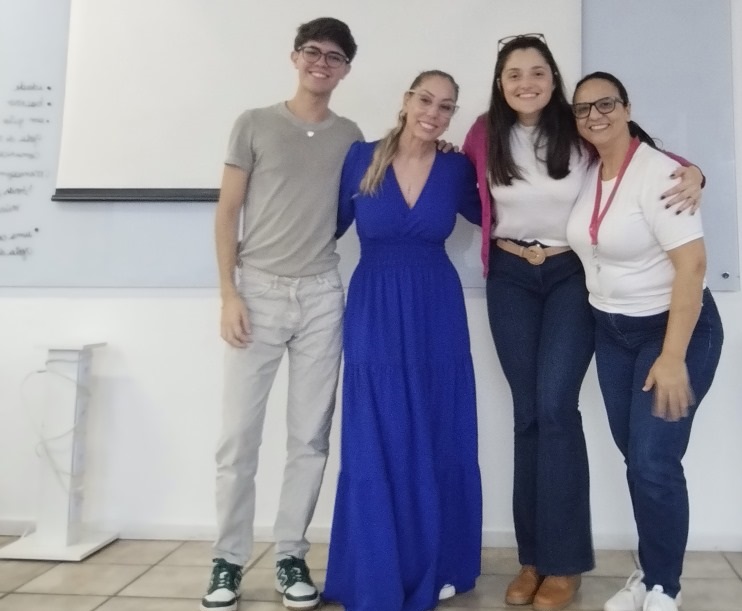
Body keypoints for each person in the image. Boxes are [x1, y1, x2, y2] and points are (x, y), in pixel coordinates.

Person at [461, 35, 704, 611]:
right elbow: (467, 192)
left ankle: (564, 561)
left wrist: (697, 173)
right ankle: (532, 558)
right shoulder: (482, 133)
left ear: (553, 79)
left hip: (570, 277)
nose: (526, 83)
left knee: (555, 407)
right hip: (511, 278)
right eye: (514, 73)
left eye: (537, 72)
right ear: (500, 82)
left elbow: (649, 162)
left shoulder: (578, 127)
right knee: (527, 413)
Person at [205, 17, 362, 611]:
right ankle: (227, 560)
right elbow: (227, 212)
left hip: (322, 295)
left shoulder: (350, 136)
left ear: (346, 69)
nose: (321, 62)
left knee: (310, 438)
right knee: (238, 438)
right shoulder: (254, 123)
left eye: (334, 56)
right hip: (258, 292)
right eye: (312, 51)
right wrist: (230, 294)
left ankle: (291, 553)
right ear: (296, 57)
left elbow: (357, 201)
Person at [321, 70, 483, 611]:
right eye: (426, 100)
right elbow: (324, 223)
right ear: (407, 100)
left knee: (439, 429)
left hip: (436, 309)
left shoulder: (458, 168)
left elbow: (502, 210)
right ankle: (375, 565)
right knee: (377, 429)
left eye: (446, 106)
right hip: (374, 307)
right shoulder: (359, 158)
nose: (433, 113)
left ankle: (440, 560)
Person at [566, 71, 723, 611]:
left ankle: (664, 587)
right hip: (613, 333)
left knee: (654, 461)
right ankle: (650, 571)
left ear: (627, 108)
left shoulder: (659, 174)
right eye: (583, 109)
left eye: (605, 104)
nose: (595, 116)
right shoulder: (588, 170)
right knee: (636, 457)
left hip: (673, 329)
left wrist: (673, 357)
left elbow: (693, 265)